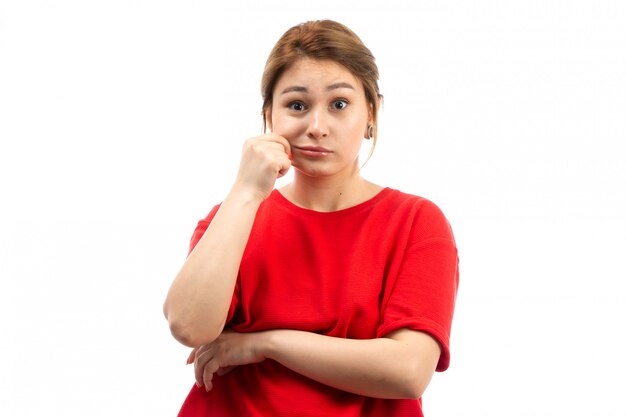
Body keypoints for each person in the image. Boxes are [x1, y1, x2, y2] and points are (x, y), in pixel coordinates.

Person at [163, 19, 459, 417]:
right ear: (269, 115)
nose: (317, 128)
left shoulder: (415, 222)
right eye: (297, 105)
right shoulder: (232, 216)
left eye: (339, 104)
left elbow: (408, 370)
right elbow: (187, 326)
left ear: (371, 113)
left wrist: (263, 343)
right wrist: (247, 191)